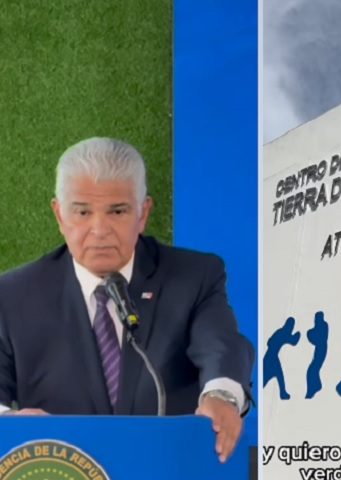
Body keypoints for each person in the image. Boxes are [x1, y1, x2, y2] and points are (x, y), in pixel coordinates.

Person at [0, 137, 253, 463]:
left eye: (117, 211)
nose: (99, 229)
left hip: (169, 476)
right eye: (82, 212)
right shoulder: (13, 294)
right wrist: (8, 422)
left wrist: (221, 396)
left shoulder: (194, 276)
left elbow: (222, 345)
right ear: (59, 215)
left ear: (143, 213)